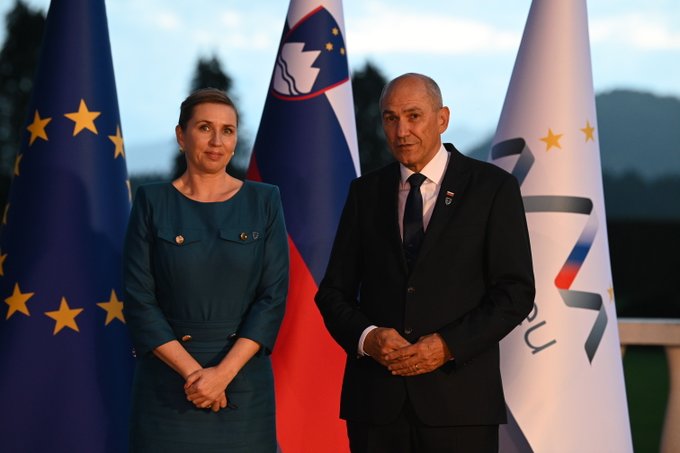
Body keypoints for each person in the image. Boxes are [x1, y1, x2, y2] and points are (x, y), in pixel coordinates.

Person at [315, 73, 535, 452]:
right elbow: (333, 292)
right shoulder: (365, 192)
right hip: (376, 407)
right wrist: (368, 338)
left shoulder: (493, 188)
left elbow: (515, 292)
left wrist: (448, 346)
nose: (401, 131)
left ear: (442, 118)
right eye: (390, 118)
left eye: (413, 116)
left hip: (460, 405)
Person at [123, 88, 289, 452]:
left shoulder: (265, 201)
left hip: (243, 387)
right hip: (168, 388)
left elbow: (272, 298)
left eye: (227, 130)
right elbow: (138, 300)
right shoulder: (151, 201)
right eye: (205, 128)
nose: (217, 141)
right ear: (181, 135)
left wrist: (222, 376)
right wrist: (196, 377)